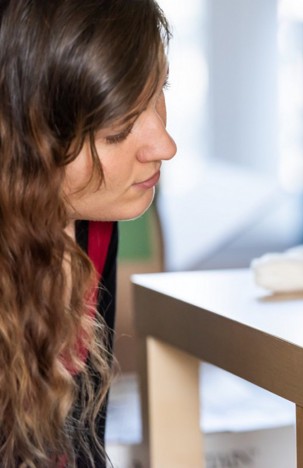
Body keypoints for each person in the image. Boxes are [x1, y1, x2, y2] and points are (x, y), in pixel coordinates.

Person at [0, 0, 176, 466]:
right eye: (119, 130)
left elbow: (79, 447)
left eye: (160, 91)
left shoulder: (94, 222)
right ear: (24, 141)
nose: (165, 145)